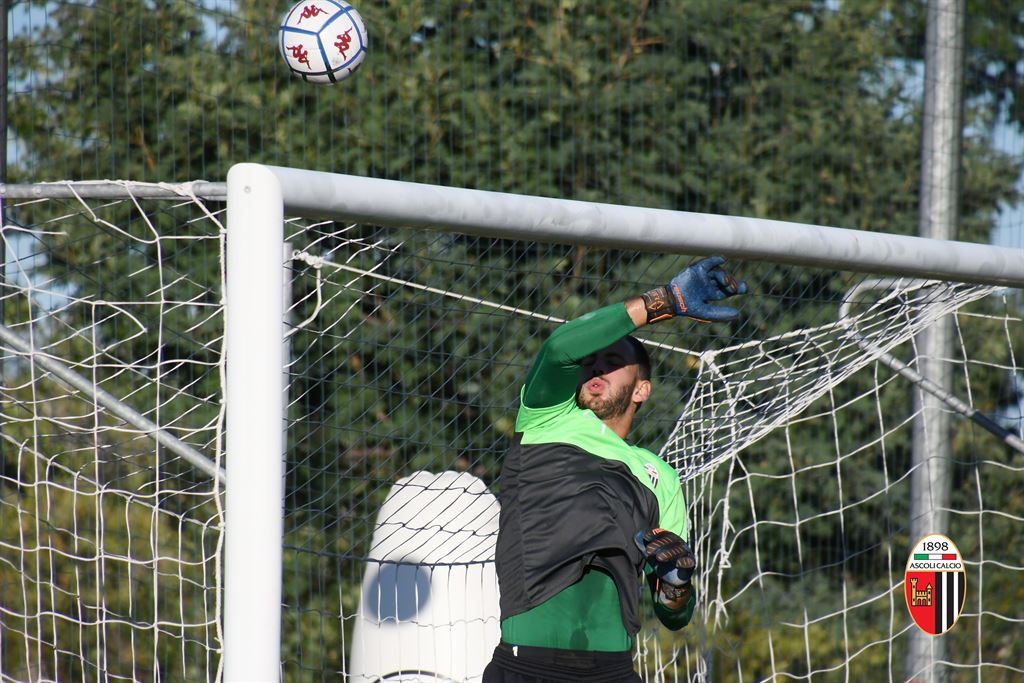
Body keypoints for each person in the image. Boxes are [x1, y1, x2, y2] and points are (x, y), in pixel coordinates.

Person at [484, 256, 746, 682]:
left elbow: (674, 615)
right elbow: (560, 347)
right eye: (591, 362)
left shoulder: (658, 475)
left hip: (614, 672)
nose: (595, 366)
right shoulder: (547, 418)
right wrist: (666, 301)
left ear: (642, 388)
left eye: (611, 360)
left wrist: (677, 584)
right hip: (528, 665)